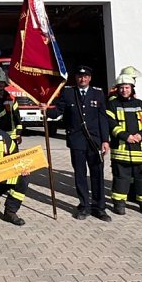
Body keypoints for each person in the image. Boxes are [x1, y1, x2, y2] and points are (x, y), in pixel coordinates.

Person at [52, 66, 111, 221]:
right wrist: (45, 109)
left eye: (85, 77)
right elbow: (58, 111)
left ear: (90, 78)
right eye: (79, 76)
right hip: (76, 141)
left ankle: (100, 207)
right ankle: (84, 206)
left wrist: (105, 140)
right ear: (76, 78)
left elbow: (103, 118)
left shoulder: (98, 93)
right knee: (80, 175)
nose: (82, 79)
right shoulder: (68, 92)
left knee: (97, 174)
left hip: (95, 141)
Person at [106, 74, 142, 216]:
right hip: (121, 150)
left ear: (132, 88)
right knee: (121, 179)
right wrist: (125, 136)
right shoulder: (112, 105)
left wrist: (141, 135)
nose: (124, 90)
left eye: (127, 87)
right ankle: (119, 204)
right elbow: (110, 123)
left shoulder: (140, 104)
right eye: (121, 88)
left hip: (140, 150)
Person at [0, 68, 22, 143]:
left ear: (5, 84)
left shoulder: (11, 98)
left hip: (11, 135)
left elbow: (17, 117)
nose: (0, 84)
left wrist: (18, 133)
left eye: (2, 82)